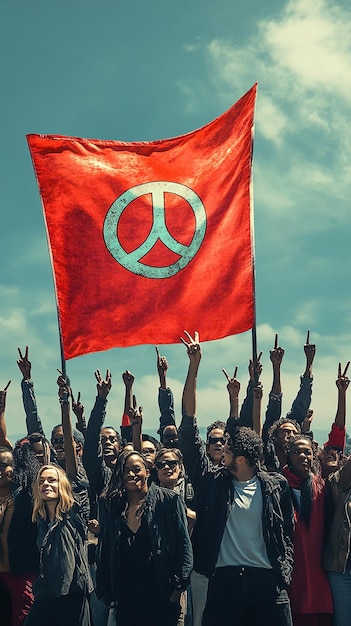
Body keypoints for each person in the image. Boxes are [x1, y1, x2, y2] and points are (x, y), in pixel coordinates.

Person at [179, 331, 294, 626]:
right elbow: (189, 429)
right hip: (225, 583)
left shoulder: (275, 486)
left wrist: (285, 568)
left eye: (227, 449)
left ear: (241, 458)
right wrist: (193, 368)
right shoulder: (213, 483)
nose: (221, 451)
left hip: (267, 585)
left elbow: (286, 534)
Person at [96, 449, 193, 626]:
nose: (131, 474)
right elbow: (104, 551)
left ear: (148, 471)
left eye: (136, 469)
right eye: (126, 470)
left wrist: (176, 592)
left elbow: (184, 548)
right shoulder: (113, 507)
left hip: (163, 600)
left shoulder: (169, 501)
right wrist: (105, 595)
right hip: (126, 603)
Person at [24, 464, 93, 626]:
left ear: (62, 485)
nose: (45, 484)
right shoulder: (40, 521)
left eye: (51, 480)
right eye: (41, 481)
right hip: (46, 592)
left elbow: (77, 476)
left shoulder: (74, 513)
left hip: (72, 594)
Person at [283, 435, 333, 625]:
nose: (303, 456)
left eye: (307, 452)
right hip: (292, 582)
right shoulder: (277, 486)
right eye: (297, 452)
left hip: (319, 580)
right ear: (288, 456)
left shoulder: (322, 487)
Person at [322, 365, 350, 626]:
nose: (333, 454)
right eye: (327, 453)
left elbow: (338, 434)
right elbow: (338, 434)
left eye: (338, 454)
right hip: (335, 565)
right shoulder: (318, 480)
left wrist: (342, 393)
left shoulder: (344, 482)